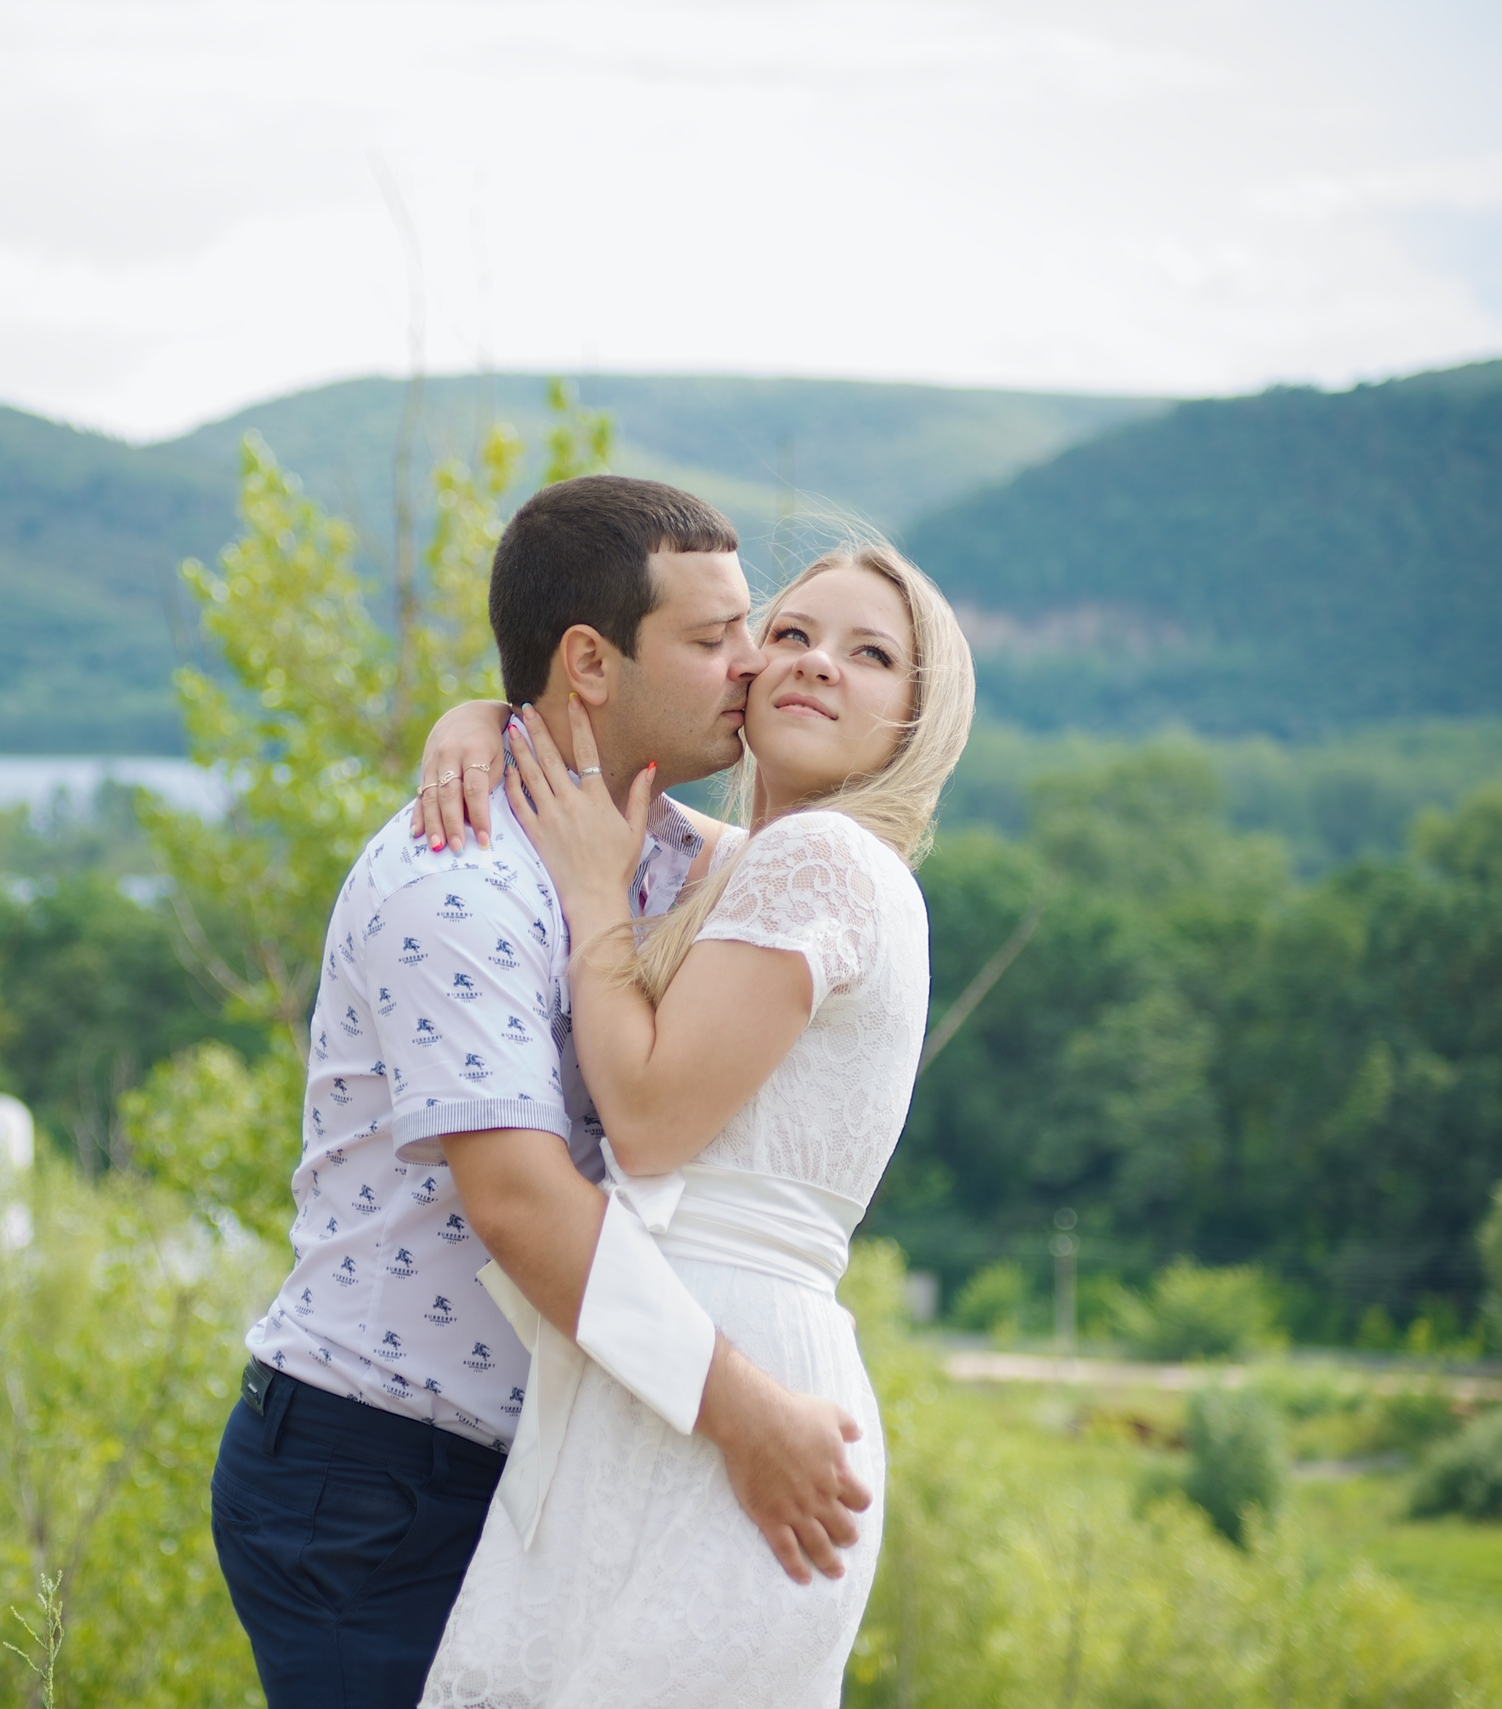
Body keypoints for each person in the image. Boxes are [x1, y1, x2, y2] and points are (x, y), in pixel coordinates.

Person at [210, 477, 878, 1709]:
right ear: (589, 661)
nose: (750, 664)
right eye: (710, 635)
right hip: (376, 1482)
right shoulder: (451, 876)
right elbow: (520, 1206)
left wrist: (487, 713)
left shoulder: (685, 857)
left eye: (752, 627)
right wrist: (743, 1413)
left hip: (558, 1464)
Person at [411, 538, 973, 1708]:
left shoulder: (820, 857)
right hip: (695, 1343)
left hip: (730, 1359)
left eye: (870, 654)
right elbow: (597, 785)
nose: (818, 662)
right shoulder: (764, 863)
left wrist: (591, 904)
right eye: (794, 632)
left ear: (914, 721)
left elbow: (654, 1123)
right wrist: (482, 715)